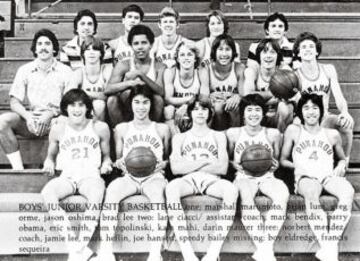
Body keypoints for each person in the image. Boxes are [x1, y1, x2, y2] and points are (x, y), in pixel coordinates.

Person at [98, 85, 171, 261]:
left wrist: (163, 164)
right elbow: (119, 158)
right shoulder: (122, 128)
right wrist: (121, 164)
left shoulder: (162, 128)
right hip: (129, 176)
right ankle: (106, 252)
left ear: (151, 105)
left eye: (145, 102)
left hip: (154, 176)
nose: (141, 107)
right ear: (130, 104)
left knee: (158, 198)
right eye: (137, 102)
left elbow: (168, 157)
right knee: (112, 191)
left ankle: (155, 253)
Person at [280, 93, 354, 261]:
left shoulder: (332, 134)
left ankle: (328, 247)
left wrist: (341, 165)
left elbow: (342, 158)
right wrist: (297, 166)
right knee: (312, 193)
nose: (311, 112)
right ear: (300, 112)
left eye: (315, 108)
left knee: (347, 191)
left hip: (327, 176)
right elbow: (283, 160)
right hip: (306, 178)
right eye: (306, 108)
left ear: (321, 111)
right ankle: (330, 253)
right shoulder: (293, 130)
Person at [41, 89, 112, 261]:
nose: (77, 109)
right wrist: (49, 163)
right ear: (65, 108)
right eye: (72, 105)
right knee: (47, 193)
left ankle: (78, 250)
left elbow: (107, 157)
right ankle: (77, 248)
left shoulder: (100, 127)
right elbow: (50, 157)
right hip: (67, 176)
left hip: (90, 176)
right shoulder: (58, 129)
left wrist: (106, 164)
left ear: (87, 107)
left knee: (96, 194)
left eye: (81, 105)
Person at [166, 96, 238, 261]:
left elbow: (222, 167)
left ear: (210, 113)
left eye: (204, 109)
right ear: (190, 113)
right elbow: (176, 168)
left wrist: (190, 163)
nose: (200, 113)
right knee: (171, 188)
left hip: (212, 180)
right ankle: (188, 253)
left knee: (231, 190)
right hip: (188, 180)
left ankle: (213, 253)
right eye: (196, 109)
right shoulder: (180, 138)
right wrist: (205, 161)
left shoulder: (218, 136)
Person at [226, 94, 289, 261]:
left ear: (263, 113)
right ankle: (266, 252)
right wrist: (234, 164)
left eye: (257, 110)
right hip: (244, 176)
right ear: (243, 113)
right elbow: (228, 158)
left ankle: (264, 250)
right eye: (249, 110)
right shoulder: (233, 133)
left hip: (267, 176)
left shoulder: (273, 133)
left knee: (282, 194)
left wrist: (275, 164)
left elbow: (275, 160)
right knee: (246, 197)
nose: (253, 114)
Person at [0, 29, 73, 170]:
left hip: (56, 119)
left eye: (47, 43)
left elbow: (70, 103)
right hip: (32, 119)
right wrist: (27, 116)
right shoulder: (25, 70)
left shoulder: (65, 71)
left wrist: (51, 114)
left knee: (65, 122)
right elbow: (14, 102)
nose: (43, 47)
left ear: (54, 49)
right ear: (35, 49)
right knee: (2, 122)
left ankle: (58, 167)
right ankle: (18, 169)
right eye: (39, 44)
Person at [293, 31, 354, 166]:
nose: (307, 49)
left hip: (325, 115)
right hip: (305, 118)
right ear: (298, 53)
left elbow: (339, 97)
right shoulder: (295, 75)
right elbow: (298, 105)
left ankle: (344, 163)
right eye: (303, 47)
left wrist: (344, 112)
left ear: (316, 51)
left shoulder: (328, 69)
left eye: (311, 46)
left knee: (346, 123)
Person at [105, 24, 166, 126]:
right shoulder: (124, 65)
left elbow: (161, 91)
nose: (140, 47)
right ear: (131, 46)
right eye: (136, 43)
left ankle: (151, 131)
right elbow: (108, 89)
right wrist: (130, 83)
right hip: (127, 111)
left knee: (158, 99)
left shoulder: (159, 66)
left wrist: (140, 74)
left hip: (149, 111)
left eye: (144, 43)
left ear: (151, 44)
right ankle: (120, 132)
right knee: (112, 100)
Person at [243, 38, 294, 133]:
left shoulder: (285, 70)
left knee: (285, 107)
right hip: (258, 114)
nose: (268, 56)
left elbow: (293, 96)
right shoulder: (252, 70)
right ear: (259, 55)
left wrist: (260, 97)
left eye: (272, 52)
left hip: (278, 115)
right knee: (249, 109)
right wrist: (275, 93)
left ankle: (281, 139)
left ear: (278, 56)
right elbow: (248, 96)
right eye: (264, 52)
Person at [163, 41, 209, 134]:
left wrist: (187, 105)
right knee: (168, 111)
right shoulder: (171, 72)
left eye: (189, 54)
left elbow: (204, 97)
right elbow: (168, 99)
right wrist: (188, 100)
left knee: (207, 110)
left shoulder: (201, 71)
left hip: (196, 108)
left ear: (195, 58)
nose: (186, 58)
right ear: (178, 59)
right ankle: (176, 140)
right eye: (182, 55)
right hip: (177, 110)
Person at [208, 34, 245, 130]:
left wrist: (238, 96)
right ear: (214, 52)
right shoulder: (206, 69)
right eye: (220, 49)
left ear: (233, 52)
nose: (224, 54)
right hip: (215, 107)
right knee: (218, 107)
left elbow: (244, 94)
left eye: (228, 49)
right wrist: (209, 95)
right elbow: (202, 95)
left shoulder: (239, 68)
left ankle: (235, 137)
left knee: (234, 106)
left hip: (233, 107)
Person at [71, 38, 112, 121]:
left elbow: (108, 95)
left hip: (105, 112)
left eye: (95, 49)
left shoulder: (106, 70)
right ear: (83, 54)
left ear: (101, 53)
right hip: (82, 109)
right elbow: (70, 95)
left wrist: (85, 94)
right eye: (88, 49)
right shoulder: (79, 72)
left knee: (99, 104)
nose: (91, 52)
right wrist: (97, 96)